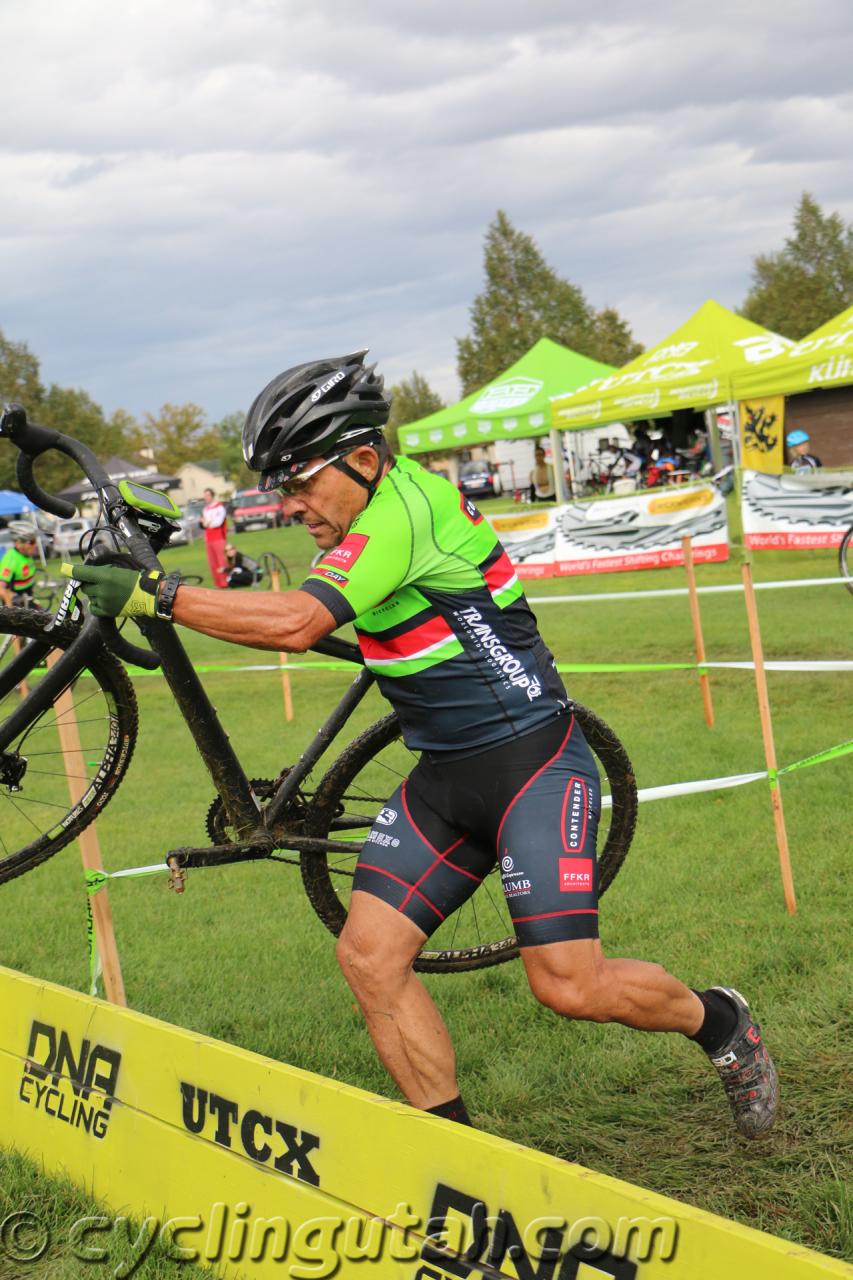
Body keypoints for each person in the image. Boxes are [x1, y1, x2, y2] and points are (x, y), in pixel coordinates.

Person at [67, 350, 778, 1139]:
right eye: (281, 488)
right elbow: (309, 612)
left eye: (302, 482)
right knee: (368, 959)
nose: (292, 505)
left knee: (568, 987)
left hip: (533, 769)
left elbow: (296, 624)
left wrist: (154, 594)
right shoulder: (371, 519)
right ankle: (461, 1159)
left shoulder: (402, 515)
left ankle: (717, 1023)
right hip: (443, 781)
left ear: (364, 459)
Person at [0, 520, 38, 607]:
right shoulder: (11, 560)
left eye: (35, 541)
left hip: (28, 600)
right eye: (31, 542)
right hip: (16, 607)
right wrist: (10, 611)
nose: (35, 545)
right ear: (18, 544)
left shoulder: (26, 554)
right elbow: (1, 588)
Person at [201, 488, 229, 588]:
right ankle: (218, 584)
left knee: (222, 561)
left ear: (212, 495)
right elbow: (203, 524)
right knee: (212, 562)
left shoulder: (220, 507)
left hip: (218, 537)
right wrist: (206, 523)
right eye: (205, 495)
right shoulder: (205, 509)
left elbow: (218, 522)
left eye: (207, 495)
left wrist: (208, 523)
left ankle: (225, 582)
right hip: (208, 538)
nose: (206, 497)